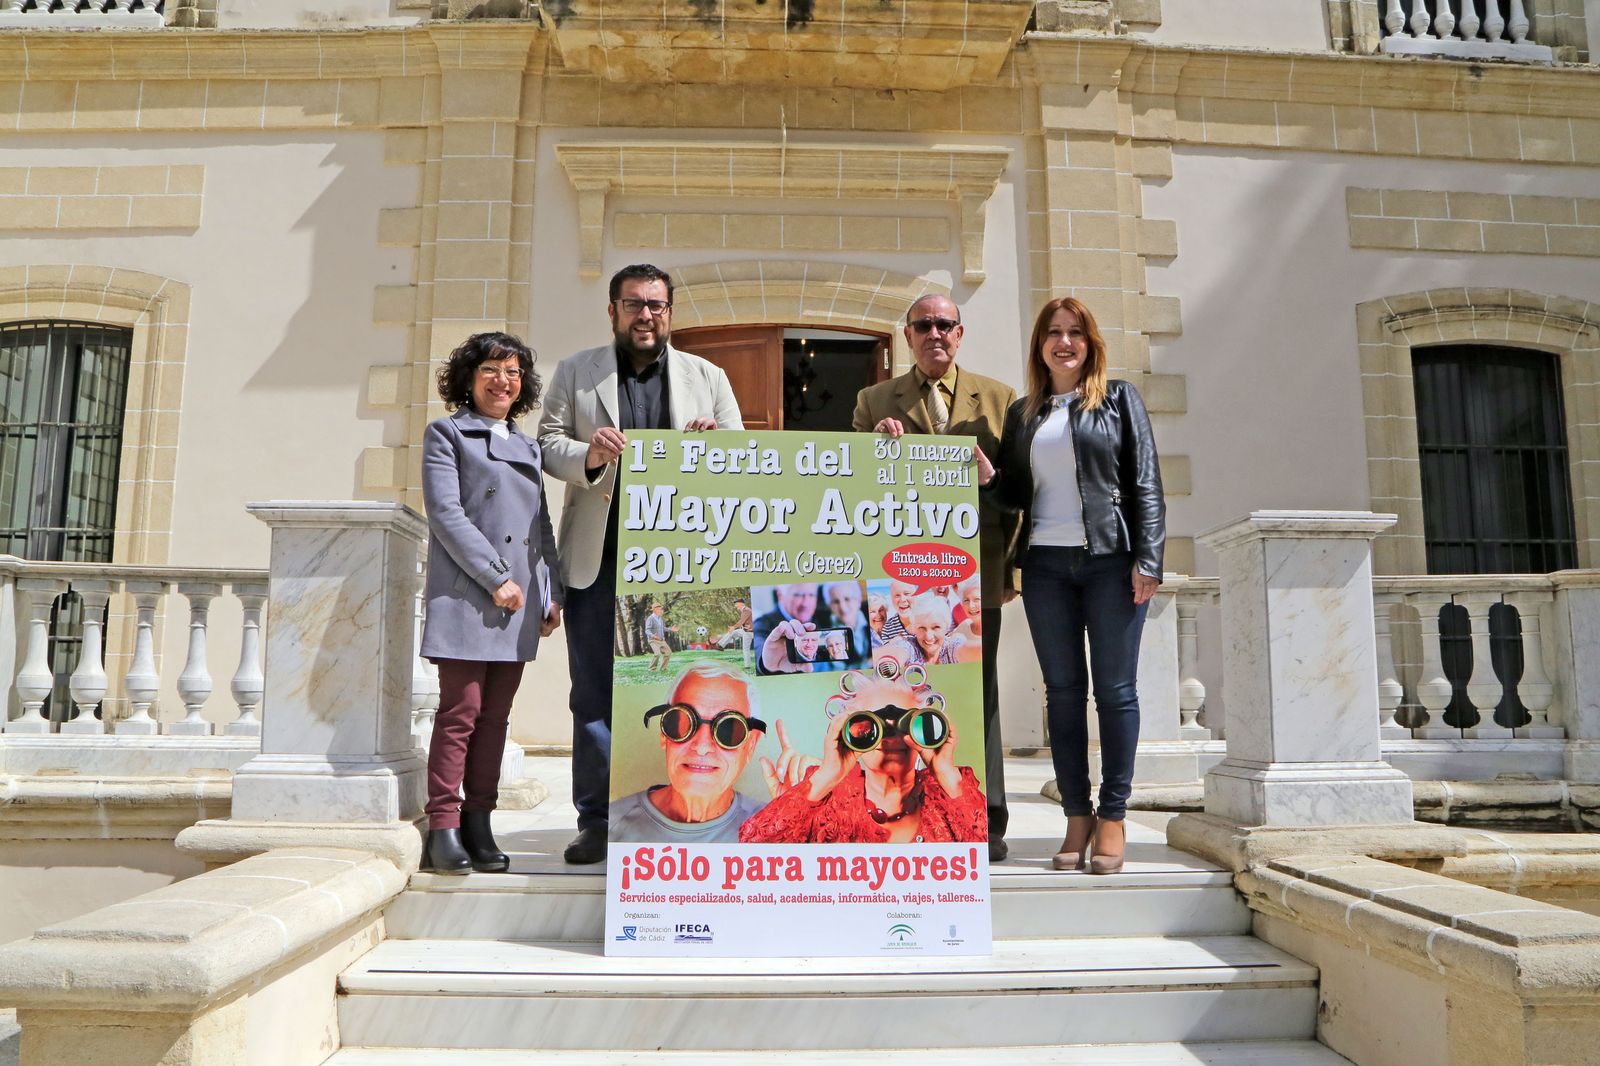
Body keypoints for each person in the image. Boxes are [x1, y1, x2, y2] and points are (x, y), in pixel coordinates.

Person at [538, 264, 743, 865]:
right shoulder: (577, 371)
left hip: (683, 563)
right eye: (633, 304)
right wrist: (590, 453)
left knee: (678, 693)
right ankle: (598, 822)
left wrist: (714, 446)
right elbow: (547, 443)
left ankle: (670, 817)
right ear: (613, 311)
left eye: (655, 305)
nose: (645, 315)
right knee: (593, 695)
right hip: (598, 557)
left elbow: (742, 453)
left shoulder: (708, 376)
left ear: (670, 313)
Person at [989, 296, 1165, 875]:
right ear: (1039, 345)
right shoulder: (1024, 413)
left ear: (1090, 344)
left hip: (1110, 562)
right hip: (1045, 566)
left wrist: (1149, 559)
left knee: (1115, 692)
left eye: (1075, 333)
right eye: (1053, 333)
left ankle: (1113, 815)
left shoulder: (1118, 399)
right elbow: (1015, 494)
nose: (1064, 343)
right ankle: (1076, 815)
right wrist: (988, 479)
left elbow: (1145, 482)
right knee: (1062, 694)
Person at [852, 293, 1018, 862]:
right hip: (899, 578)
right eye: (923, 325)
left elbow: (1016, 494)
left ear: (960, 333)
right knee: (902, 696)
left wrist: (1010, 571)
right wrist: (874, 452)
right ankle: (914, 814)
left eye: (945, 324)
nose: (934, 333)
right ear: (907, 335)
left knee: (981, 696)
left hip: (973, 577)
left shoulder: (999, 399)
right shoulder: (873, 401)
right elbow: (849, 486)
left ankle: (987, 821)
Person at [419, 332, 563, 875]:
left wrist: (551, 594)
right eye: (491, 370)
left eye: (513, 372)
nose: (503, 381)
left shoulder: (528, 446)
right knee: (460, 714)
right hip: (468, 594)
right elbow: (446, 514)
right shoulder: (447, 434)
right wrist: (496, 576)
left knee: (496, 719)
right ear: (469, 376)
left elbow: (539, 529)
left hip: (519, 603)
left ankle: (480, 823)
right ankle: (443, 827)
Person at [739, 667, 986, 845]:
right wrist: (825, 777)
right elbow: (750, 850)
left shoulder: (946, 794)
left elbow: (986, 847)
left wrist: (946, 772)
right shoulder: (828, 798)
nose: (891, 738)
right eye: (870, 727)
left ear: (927, 732)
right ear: (847, 733)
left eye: (907, 725)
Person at [611, 664, 769, 843]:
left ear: (750, 745)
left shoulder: (775, 828)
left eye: (727, 728)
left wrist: (795, 815)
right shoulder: (610, 826)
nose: (702, 747)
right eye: (684, 721)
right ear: (664, 734)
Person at [755, 583, 843, 675]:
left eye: (811, 595)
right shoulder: (762, 624)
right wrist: (764, 663)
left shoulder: (824, 615)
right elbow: (758, 645)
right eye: (798, 595)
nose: (806, 603)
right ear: (780, 595)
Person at [883, 592, 963, 667]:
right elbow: (899, 652)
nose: (929, 636)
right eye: (921, 628)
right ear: (914, 628)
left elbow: (964, 651)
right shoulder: (910, 647)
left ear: (947, 627)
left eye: (936, 627)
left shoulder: (952, 647)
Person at [822, 581, 871, 667]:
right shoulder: (825, 631)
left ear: (858, 601)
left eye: (847, 599)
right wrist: (868, 663)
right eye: (836, 602)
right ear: (829, 606)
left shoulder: (875, 615)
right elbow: (837, 669)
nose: (842, 607)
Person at [715, 598, 754, 668]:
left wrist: (733, 627)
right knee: (733, 632)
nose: (735, 606)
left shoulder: (747, 610)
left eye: (736, 604)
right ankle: (720, 645)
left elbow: (741, 621)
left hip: (749, 633)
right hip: (745, 631)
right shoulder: (744, 610)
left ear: (741, 603)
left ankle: (747, 666)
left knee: (745, 649)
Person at [644, 603, 675, 672]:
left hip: (661, 640)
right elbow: (647, 630)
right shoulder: (650, 619)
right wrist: (653, 636)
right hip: (653, 640)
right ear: (654, 610)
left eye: (661, 609)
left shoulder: (660, 618)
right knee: (657, 654)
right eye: (659, 609)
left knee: (668, 653)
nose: (661, 610)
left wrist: (671, 629)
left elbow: (663, 628)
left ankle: (663, 669)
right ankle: (651, 669)